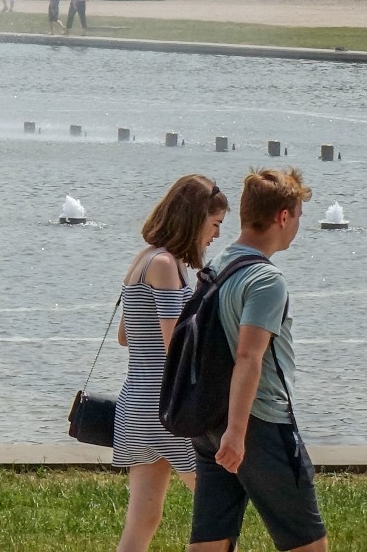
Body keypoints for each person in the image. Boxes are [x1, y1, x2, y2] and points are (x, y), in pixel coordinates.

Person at [187, 168, 326, 552]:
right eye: (298, 215)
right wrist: (237, 432)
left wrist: (226, 431)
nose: (298, 225)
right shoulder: (265, 280)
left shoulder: (217, 267)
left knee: (210, 541)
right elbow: (249, 356)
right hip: (257, 423)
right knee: (307, 544)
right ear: (283, 216)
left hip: (210, 421)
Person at [113, 175, 229, 552]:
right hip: (167, 410)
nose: (214, 236)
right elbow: (175, 347)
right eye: (214, 225)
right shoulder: (166, 266)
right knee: (219, 515)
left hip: (136, 405)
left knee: (143, 521)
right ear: (195, 219)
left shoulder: (144, 259)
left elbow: (125, 336)